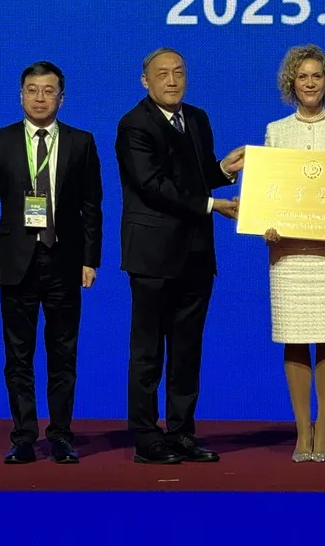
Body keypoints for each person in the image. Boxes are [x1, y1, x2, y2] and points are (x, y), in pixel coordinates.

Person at [115, 47, 245, 465]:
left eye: (179, 73)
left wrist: (223, 170)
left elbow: (197, 174)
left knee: (188, 350)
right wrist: (214, 204)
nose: (172, 81)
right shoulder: (134, 124)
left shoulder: (199, 118)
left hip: (196, 255)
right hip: (152, 256)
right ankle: (146, 436)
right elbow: (153, 186)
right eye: (162, 74)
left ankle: (182, 432)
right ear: (145, 81)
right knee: (148, 351)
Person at [0, 61, 103, 465]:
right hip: (14, 262)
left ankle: (62, 435)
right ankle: (24, 436)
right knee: (18, 355)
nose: (40, 97)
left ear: (62, 98)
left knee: (63, 354)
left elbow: (92, 206)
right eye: (32, 89)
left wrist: (90, 258)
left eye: (49, 91)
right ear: (21, 95)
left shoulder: (82, 142)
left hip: (65, 261)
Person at [262, 44, 325, 463]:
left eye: (316, 75)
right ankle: (303, 429)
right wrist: (266, 222)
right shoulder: (276, 130)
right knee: (294, 336)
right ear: (291, 82)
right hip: (288, 252)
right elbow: (270, 190)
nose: (309, 83)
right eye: (302, 76)